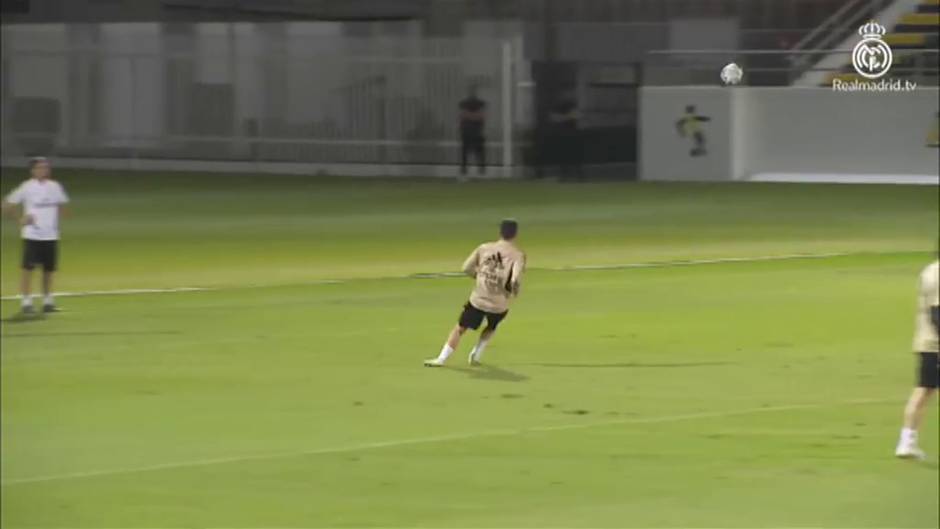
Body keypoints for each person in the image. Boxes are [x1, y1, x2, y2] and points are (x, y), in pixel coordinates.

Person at [425, 219, 526, 367]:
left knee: (460, 328)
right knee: (491, 327)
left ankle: (441, 358)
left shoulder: (484, 248)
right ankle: (476, 355)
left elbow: (466, 267)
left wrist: (479, 276)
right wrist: (514, 290)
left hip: (479, 299)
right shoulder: (517, 255)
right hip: (499, 304)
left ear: (500, 232)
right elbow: (515, 280)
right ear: (515, 234)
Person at [1, 157, 70, 314]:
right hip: (33, 235)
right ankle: (26, 302)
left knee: (49, 270)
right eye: (40, 167)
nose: (44, 170)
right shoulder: (27, 187)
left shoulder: (55, 186)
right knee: (28, 270)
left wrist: (60, 215)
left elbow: (63, 206)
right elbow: (6, 204)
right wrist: (20, 219)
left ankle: (48, 302)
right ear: (33, 170)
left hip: (51, 235)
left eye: (46, 167)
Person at [895, 257, 939, 459]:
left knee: (923, 390)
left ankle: (906, 443)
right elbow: (937, 313)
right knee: (923, 391)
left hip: (926, 341)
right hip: (935, 342)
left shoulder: (930, 270)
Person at [548, 90, 582, 180]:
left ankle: (579, 176)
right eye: (565, 93)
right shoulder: (557, 105)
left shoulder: (573, 104)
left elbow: (576, 115)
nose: (567, 95)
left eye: (569, 93)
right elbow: (554, 118)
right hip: (561, 134)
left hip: (572, 134)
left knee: (575, 155)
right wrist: (567, 117)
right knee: (562, 155)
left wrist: (563, 117)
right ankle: (564, 176)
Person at [458, 87, 486, 177]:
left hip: (476, 134)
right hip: (468, 134)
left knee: (479, 154)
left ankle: (481, 172)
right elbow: (463, 117)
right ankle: (464, 173)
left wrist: (469, 116)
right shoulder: (466, 106)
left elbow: (480, 118)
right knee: (465, 155)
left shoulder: (477, 107)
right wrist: (473, 117)